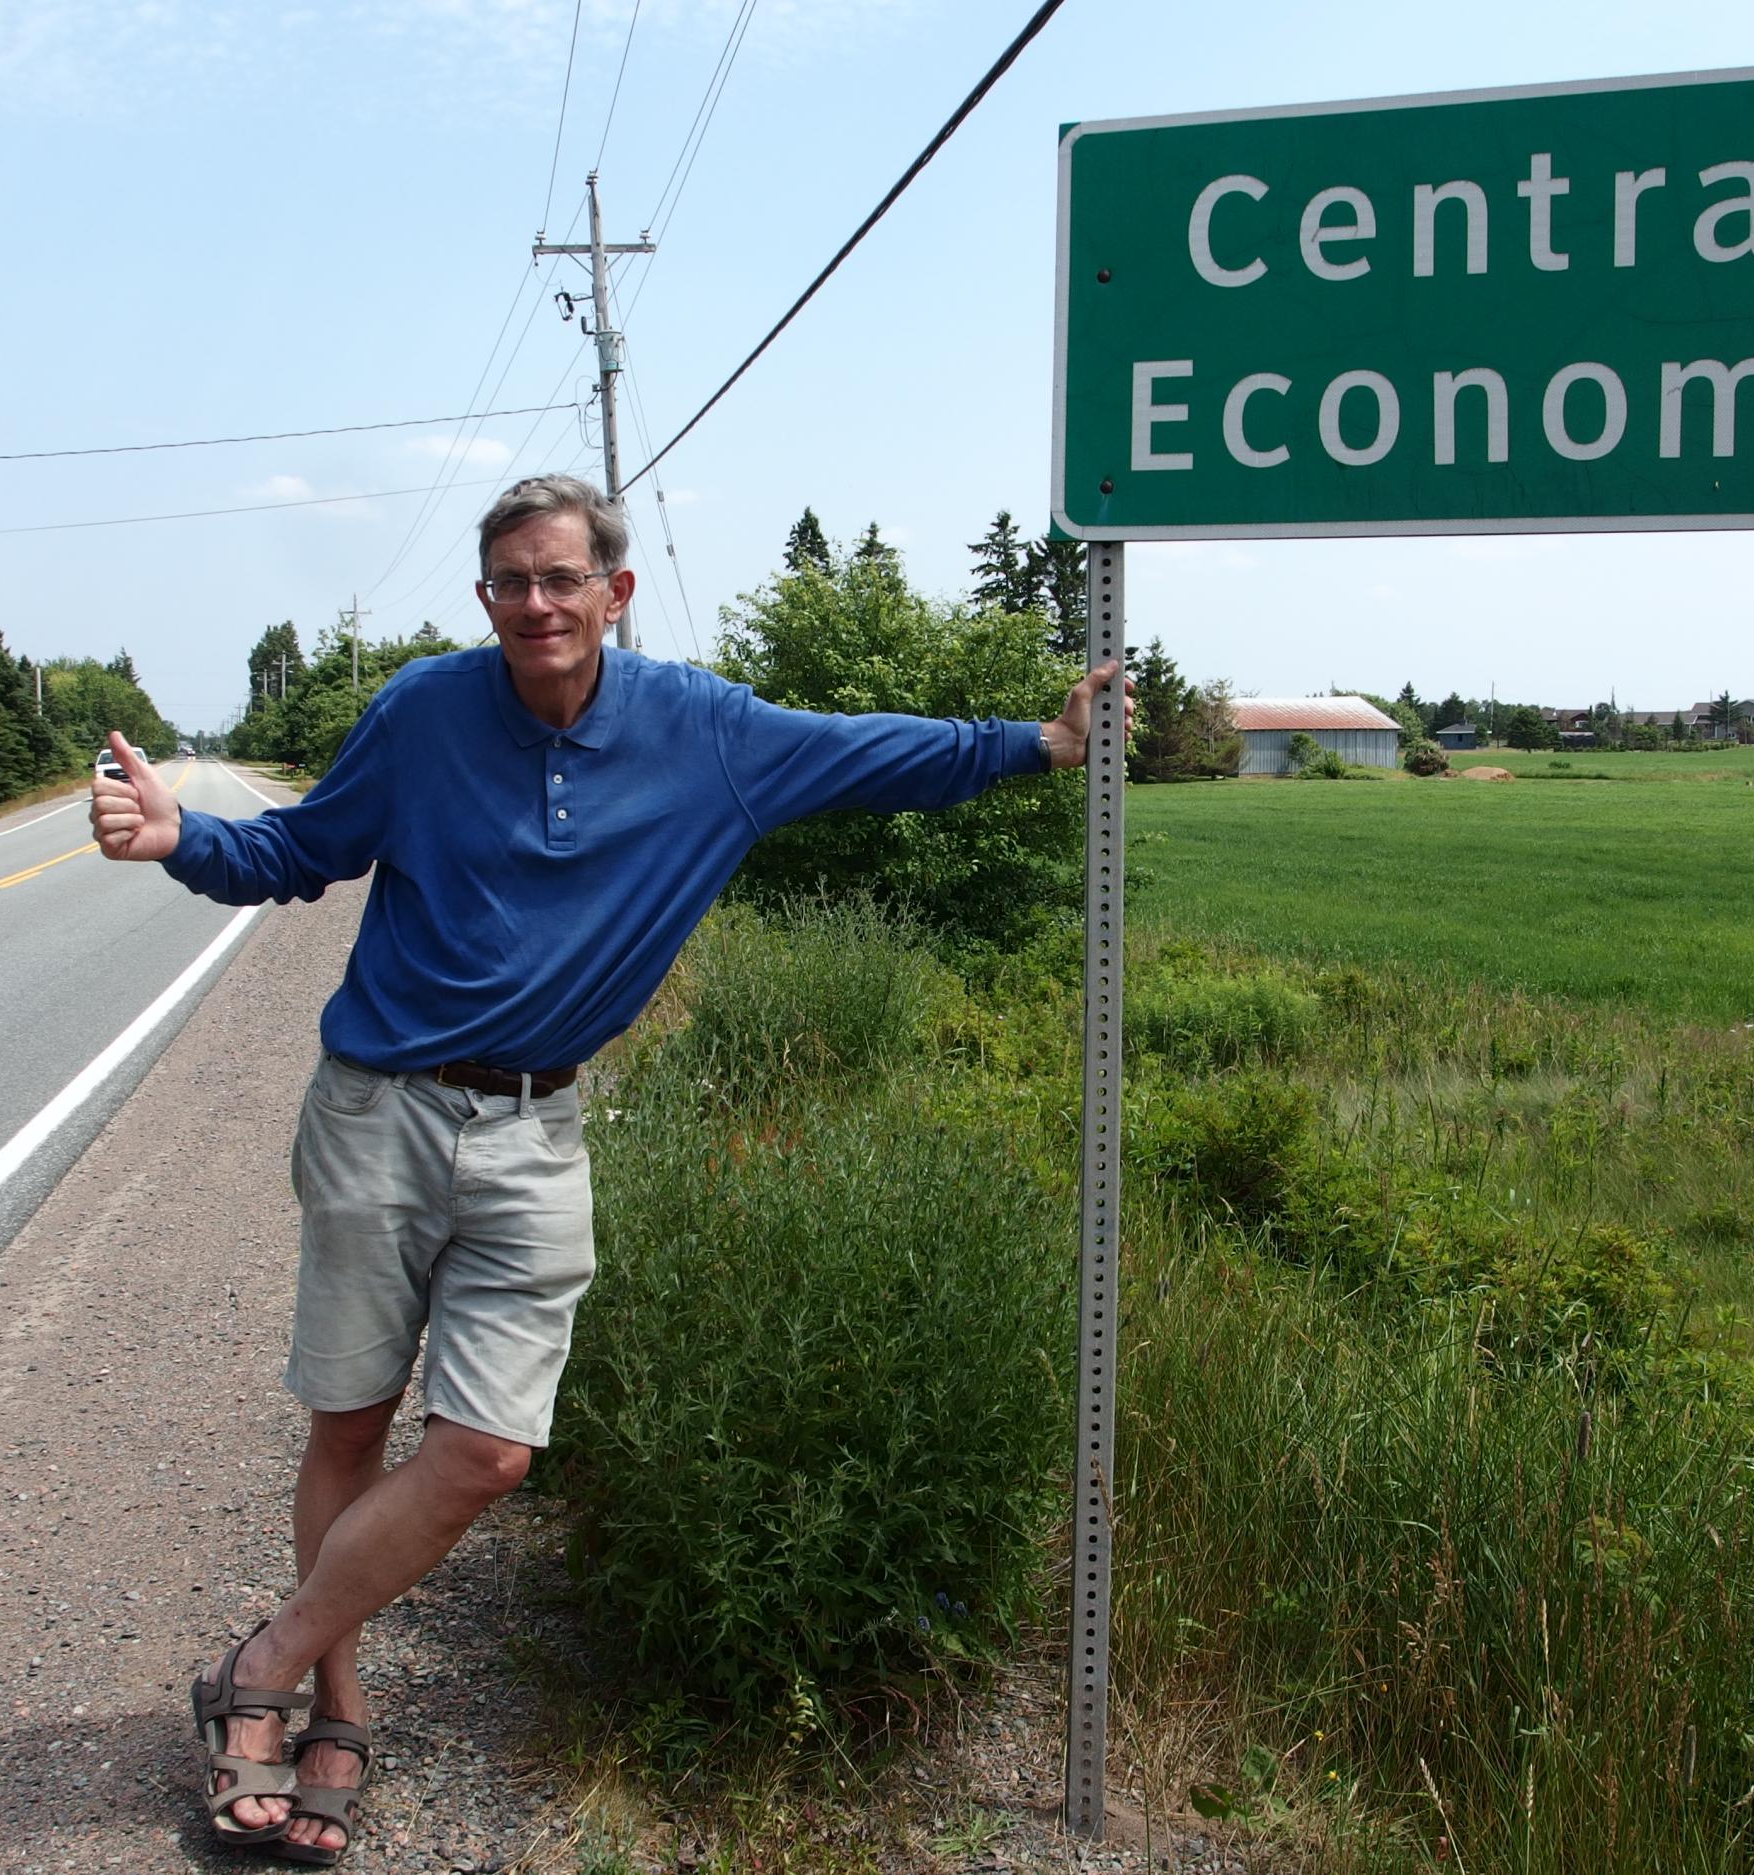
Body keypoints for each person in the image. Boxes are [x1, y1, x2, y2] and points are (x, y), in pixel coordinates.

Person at [87, 474, 1129, 1863]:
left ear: (613, 593)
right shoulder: (422, 712)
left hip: (536, 1132)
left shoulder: (708, 733)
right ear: (486, 599)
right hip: (378, 1109)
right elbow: (302, 848)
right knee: (350, 1424)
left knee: (489, 1450)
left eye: (560, 579)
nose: (534, 604)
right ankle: (328, 1708)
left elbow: (880, 752)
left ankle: (260, 1662)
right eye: (510, 583)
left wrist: (1041, 746)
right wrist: (181, 841)